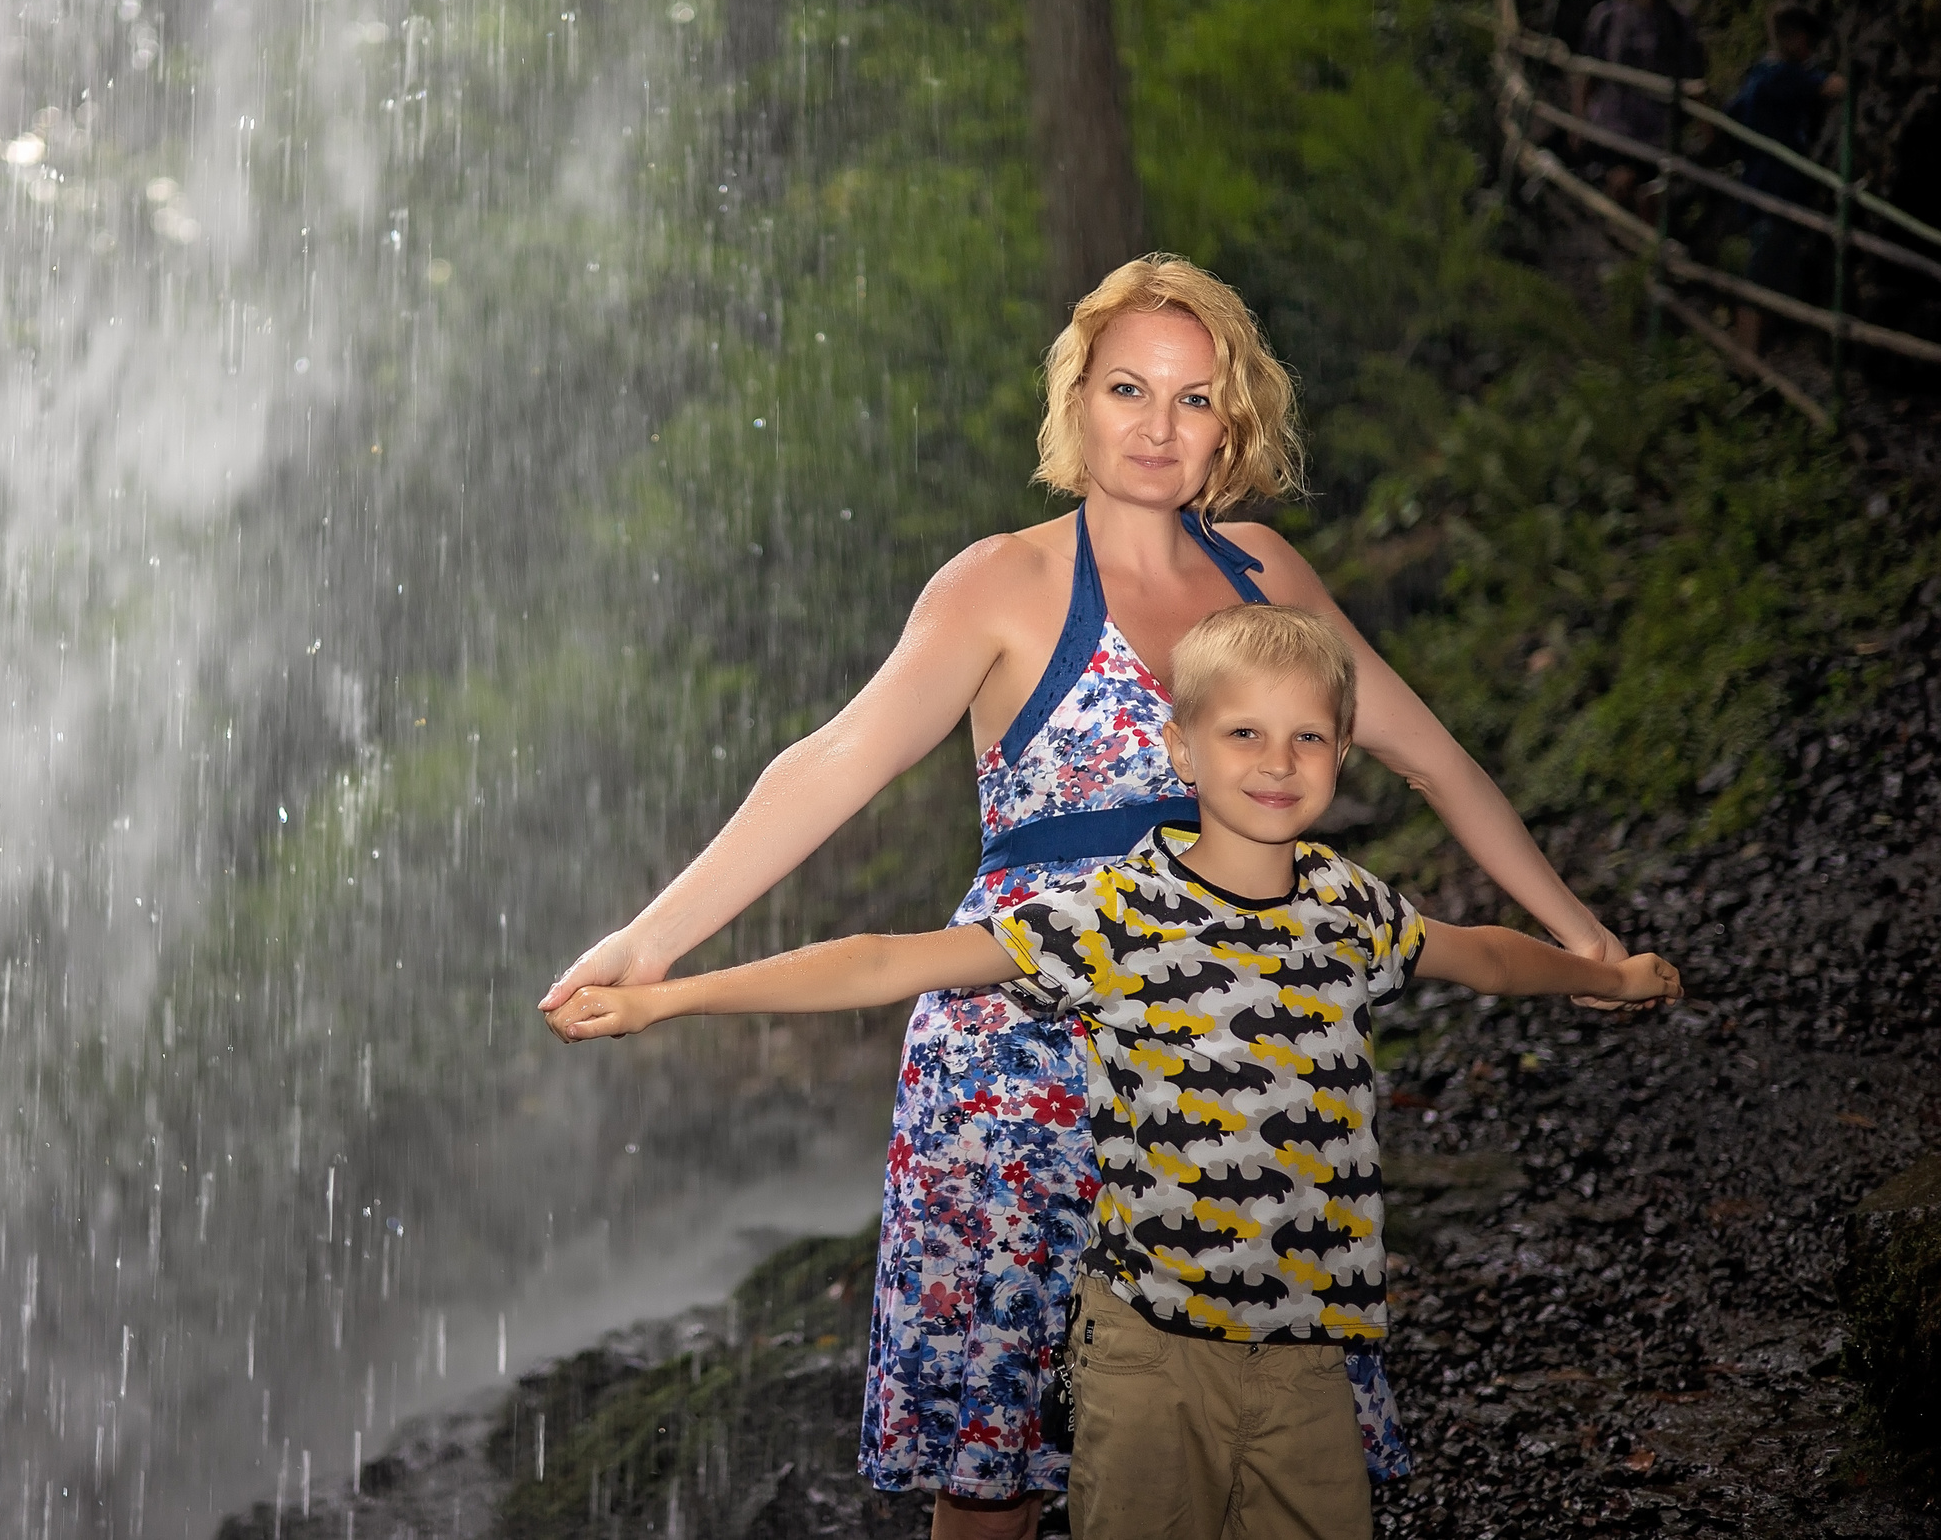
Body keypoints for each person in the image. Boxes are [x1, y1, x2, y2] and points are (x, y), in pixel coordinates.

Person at [539, 254, 1629, 1540]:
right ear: (1077, 401)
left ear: (1236, 421)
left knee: (1244, 1444)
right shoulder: (1001, 581)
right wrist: (651, 944)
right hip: (1022, 1051)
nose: (1159, 426)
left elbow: (1430, 754)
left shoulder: (1265, 577)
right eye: (1128, 388)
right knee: (996, 1468)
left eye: (1195, 397)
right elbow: (828, 763)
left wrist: (1586, 939)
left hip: (1226, 1061)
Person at [548, 604, 1683, 1540]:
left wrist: (1606, 973)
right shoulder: (1118, 913)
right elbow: (894, 960)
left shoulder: (1345, 904)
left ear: (1343, 753)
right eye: (1241, 736)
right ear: (1178, 750)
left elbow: (1476, 954)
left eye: (1305, 739)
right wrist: (670, 989)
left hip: (1312, 1350)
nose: (1276, 764)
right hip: (1150, 1348)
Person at [1726, 0, 1847, 352]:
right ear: (1791, 37)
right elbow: (1832, 88)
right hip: (1774, 189)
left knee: (1771, 276)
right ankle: (1748, 362)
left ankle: (1756, 359)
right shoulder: (1779, 76)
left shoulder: (1758, 76)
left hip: (1768, 185)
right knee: (1762, 276)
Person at [1573, 0, 1707, 212]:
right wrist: (1578, 118)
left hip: (1655, 127)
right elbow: (1589, 72)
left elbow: (1692, 73)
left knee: (1650, 193)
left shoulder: (1676, 22)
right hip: (1612, 122)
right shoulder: (1607, 17)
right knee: (1619, 181)